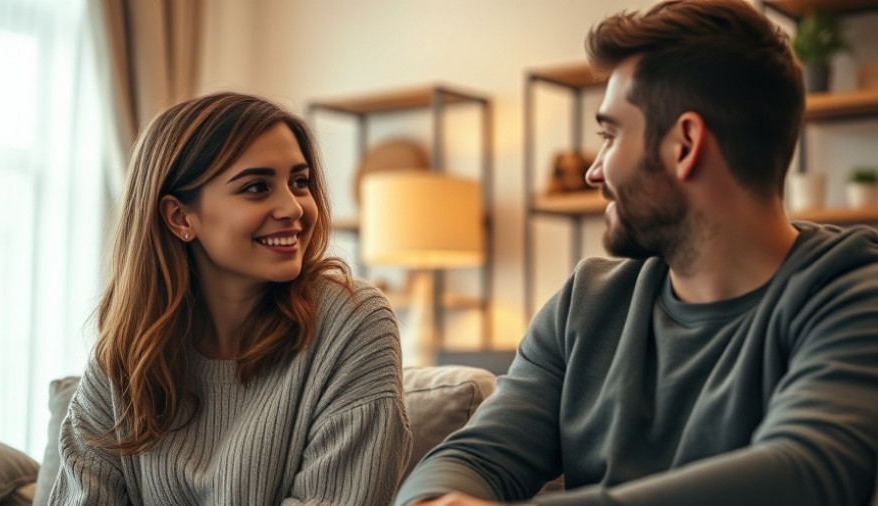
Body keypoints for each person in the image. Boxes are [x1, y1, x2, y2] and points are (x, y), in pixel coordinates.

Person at [395, 1, 878, 505]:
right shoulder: (586, 303)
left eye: (610, 135)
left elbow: (810, 470)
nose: (593, 171)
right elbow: (474, 458)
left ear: (685, 145)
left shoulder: (853, 293)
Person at [50, 91, 412, 505]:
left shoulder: (353, 321)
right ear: (180, 217)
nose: (293, 207)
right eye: (257, 187)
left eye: (299, 182)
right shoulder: (126, 351)